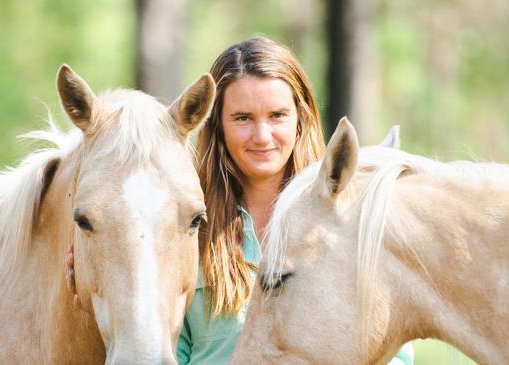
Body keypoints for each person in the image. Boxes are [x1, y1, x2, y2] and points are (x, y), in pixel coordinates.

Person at [176, 37, 414, 365]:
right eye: (243, 118)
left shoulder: (347, 216)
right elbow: (167, 347)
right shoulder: (187, 225)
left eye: (277, 115)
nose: (261, 135)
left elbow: (394, 352)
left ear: (300, 119)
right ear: (217, 124)